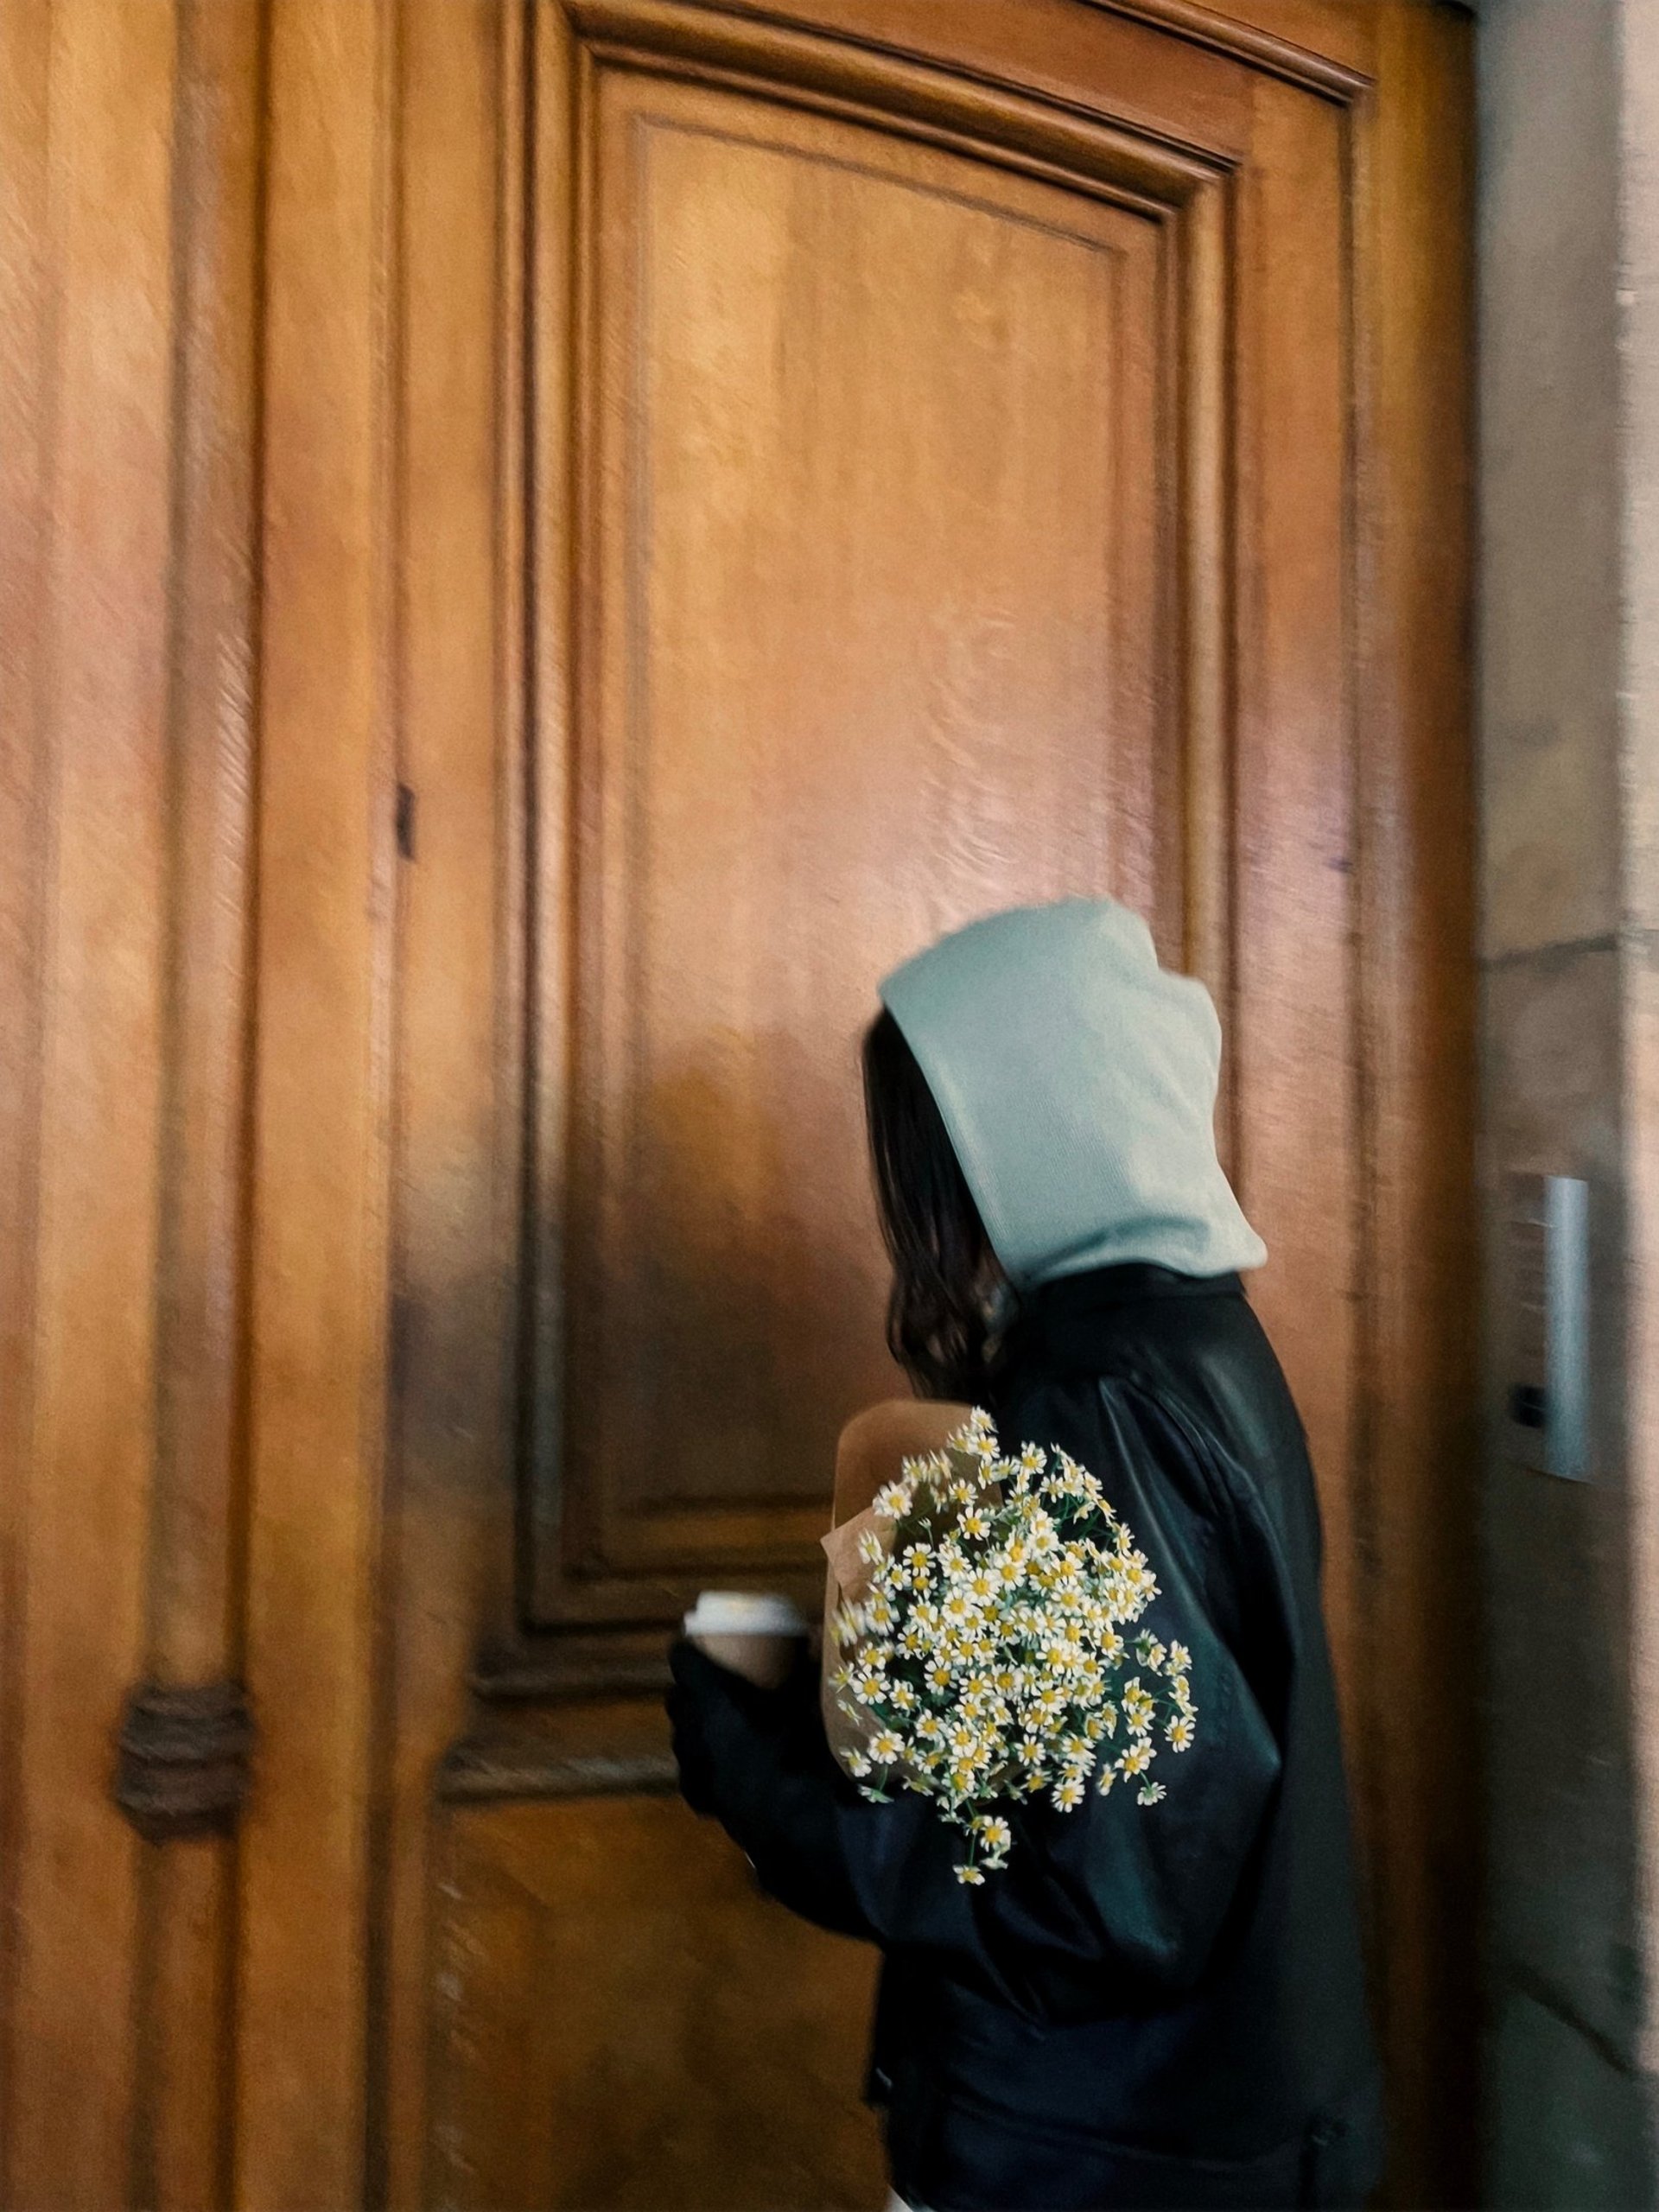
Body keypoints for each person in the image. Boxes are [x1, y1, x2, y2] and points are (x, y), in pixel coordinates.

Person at [666, 899, 1383, 2212]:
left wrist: (756, 1778)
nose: (915, 1200)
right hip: (1176, 2133)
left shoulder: (1097, 1399)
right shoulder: (1195, 1343)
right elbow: (1125, 1779)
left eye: (932, 1146)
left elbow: (1099, 1901)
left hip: (1097, 2156)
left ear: (1022, 1134)